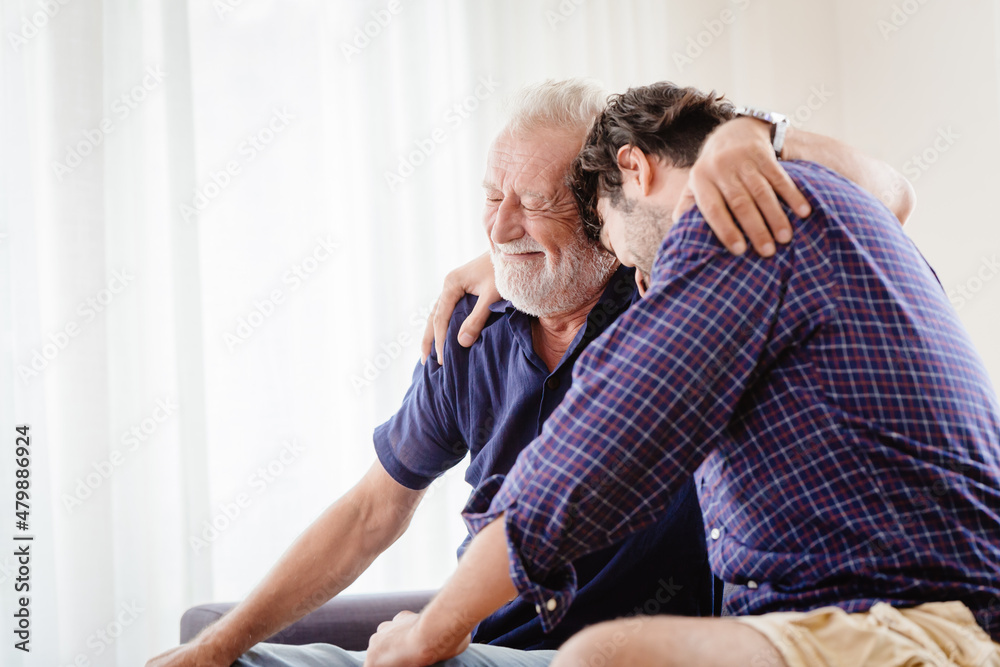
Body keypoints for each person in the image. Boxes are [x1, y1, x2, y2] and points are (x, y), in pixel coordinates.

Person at [147, 79, 916, 667]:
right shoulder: (471, 330)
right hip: (476, 648)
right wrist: (217, 645)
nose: (499, 224)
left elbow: (888, 196)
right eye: (492, 197)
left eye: (535, 202)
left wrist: (757, 134)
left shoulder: (669, 295)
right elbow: (371, 512)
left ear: (602, 207)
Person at [363, 83, 1000, 667]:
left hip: (904, 623)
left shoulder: (723, 227)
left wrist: (428, 634)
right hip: (899, 610)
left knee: (603, 659)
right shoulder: (835, 197)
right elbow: (899, 192)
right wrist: (510, 261)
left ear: (634, 169)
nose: (640, 283)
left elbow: (579, 466)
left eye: (610, 236)